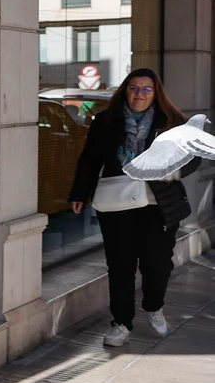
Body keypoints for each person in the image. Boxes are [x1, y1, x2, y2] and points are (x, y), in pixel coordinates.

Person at [68, 68, 195, 348]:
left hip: (158, 204)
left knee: (157, 264)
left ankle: (154, 307)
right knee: (120, 266)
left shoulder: (172, 123)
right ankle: (121, 323)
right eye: (134, 88)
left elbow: (192, 158)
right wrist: (80, 192)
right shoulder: (106, 121)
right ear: (126, 91)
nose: (139, 94)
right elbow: (90, 159)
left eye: (146, 89)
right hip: (117, 203)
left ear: (156, 92)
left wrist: (170, 172)